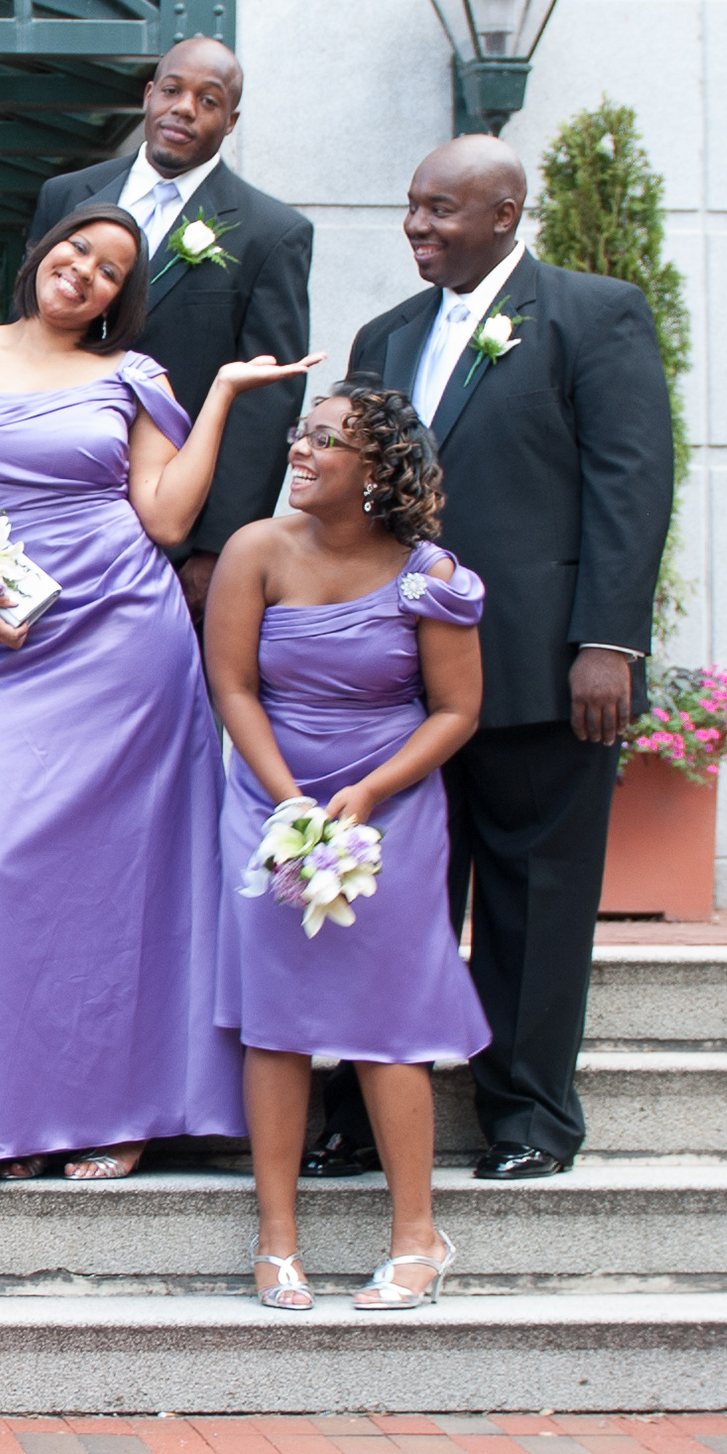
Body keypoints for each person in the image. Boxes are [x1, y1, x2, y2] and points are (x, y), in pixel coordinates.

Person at [0, 205, 319, 1178]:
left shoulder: (132, 376)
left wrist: (219, 395)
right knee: (2, 862)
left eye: (112, 270)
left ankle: (123, 1110)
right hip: (2, 639)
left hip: (128, 640)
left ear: (119, 300)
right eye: (78, 249)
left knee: (124, 883)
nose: (86, 270)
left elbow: (165, 519)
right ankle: (2, 1113)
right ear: (44, 253)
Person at [337, 134, 678, 1181]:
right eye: (412, 205)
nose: (417, 226)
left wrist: (606, 642)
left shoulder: (594, 314)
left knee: (537, 898)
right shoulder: (384, 336)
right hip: (399, 682)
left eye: (440, 209)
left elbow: (631, 482)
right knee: (391, 900)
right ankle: (365, 1116)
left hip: (541, 669)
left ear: (505, 214)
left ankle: (529, 1117)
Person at [204, 382, 489, 1312]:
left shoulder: (427, 574)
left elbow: (456, 709)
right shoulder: (256, 549)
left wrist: (367, 793)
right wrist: (288, 798)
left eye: (325, 440)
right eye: (303, 432)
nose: (301, 449)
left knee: (390, 1017)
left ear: (377, 469)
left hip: (389, 807)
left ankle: (418, 1238)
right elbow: (232, 685)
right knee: (276, 1018)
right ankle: (276, 1239)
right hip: (270, 797)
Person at [23, 38, 316, 592]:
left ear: (231, 122)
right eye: (173, 90)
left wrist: (216, 548)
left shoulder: (272, 234)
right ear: (148, 95)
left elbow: (264, 404)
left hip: (171, 526)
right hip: (48, 499)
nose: (184, 108)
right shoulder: (65, 196)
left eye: (208, 101)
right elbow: (27, 331)